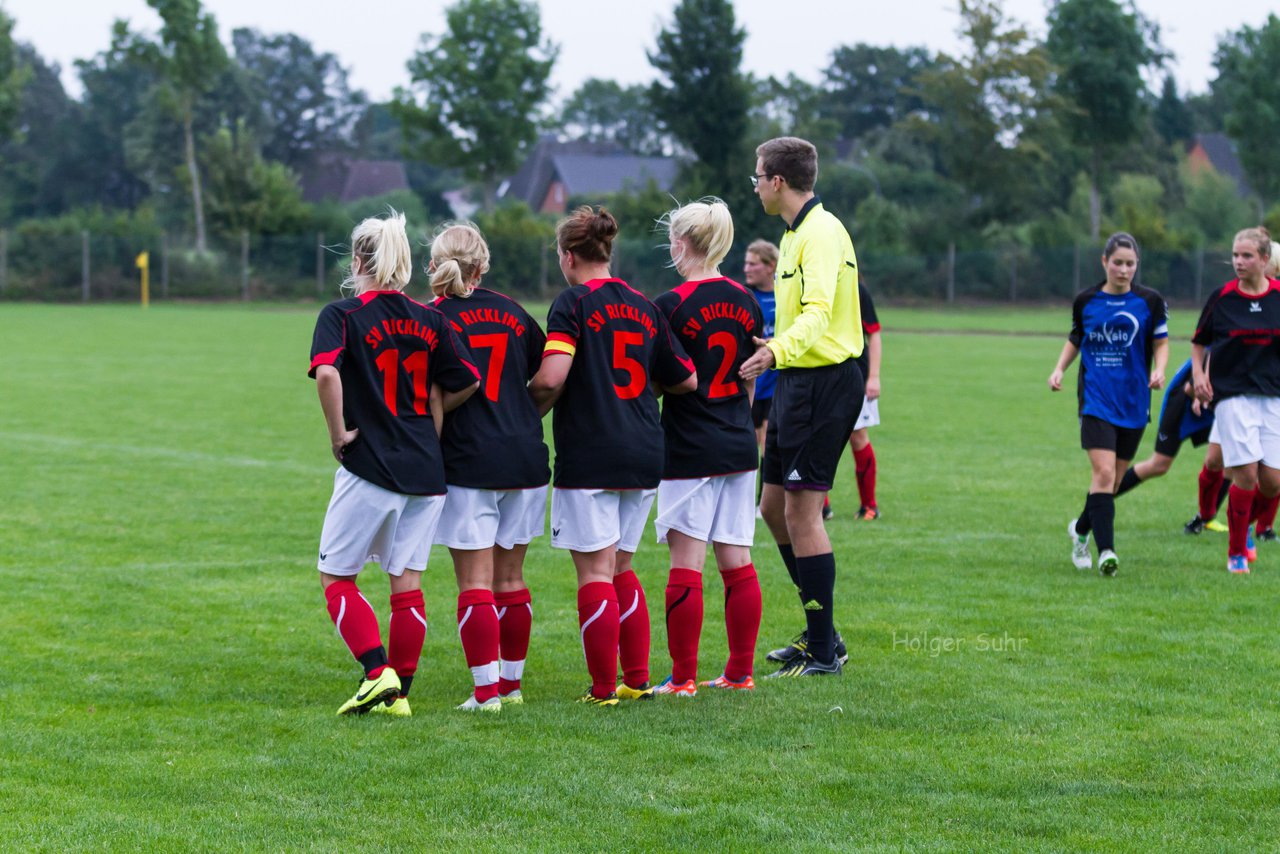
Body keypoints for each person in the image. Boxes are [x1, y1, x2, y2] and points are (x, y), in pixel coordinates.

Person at [308, 211, 479, 716]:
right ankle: (399, 696)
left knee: (337, 578)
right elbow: (466, 379)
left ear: (358, 259)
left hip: (371, 467)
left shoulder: (341, 315)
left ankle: (377, 673)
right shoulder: (431, 319)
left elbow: (326, 376)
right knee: (407, 583)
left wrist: (339, 434)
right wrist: (432, 418)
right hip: (427, 472)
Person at [529, 206, 696, 706]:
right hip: (645, 450)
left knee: (595, 573)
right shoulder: (644, 305)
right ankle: (637, 678)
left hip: (591, 454)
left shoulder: (572, 303)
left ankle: (603, 689)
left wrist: (524, 409)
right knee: (621, 568)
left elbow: (553, 375)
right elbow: (685, 378)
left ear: (568, 255)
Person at [740, 136, 863, 677]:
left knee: (802, 512)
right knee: (771, 508)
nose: (756, 185)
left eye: (758, 177)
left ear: (778, 182)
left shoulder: (822, 233)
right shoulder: (790, 235)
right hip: (795, 381)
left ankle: (822, 649)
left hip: (826, 383)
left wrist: (774, 350)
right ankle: (823, 634)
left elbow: (817, 313)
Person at [429, 223, 550, 713]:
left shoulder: (432, 317)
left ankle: (485, 694)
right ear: (484, 265)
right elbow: (550, 377)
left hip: (468, 461)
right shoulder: (515, 314)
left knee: (475, 583)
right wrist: (523, 416)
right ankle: (511, 687)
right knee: (511, 579)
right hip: (524, 455)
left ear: (437, 265)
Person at [651, 199, 764, 696]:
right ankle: (740, 673)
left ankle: (683, 678)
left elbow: (665, 381)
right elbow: (750, 379)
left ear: (681, 243)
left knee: (686, 566)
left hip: (690, 446)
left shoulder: (669, 305)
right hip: (738, 441)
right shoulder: (746, 300)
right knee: (737, 561)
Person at [1049, 232, 1169, 577]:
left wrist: (1159, 370)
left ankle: (1081, 530)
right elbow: (1076, 337)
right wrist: (1059, 369)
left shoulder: (1150, 301)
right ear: (1105, 262)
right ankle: (1107, 553)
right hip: (1096, 400)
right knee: (1102, 474)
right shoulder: (1086, 300)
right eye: (1118, 262)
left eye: (1130, 264)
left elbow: (1161, 343)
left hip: (1133, 401)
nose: (1124, 269)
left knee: (1112, 485)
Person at [1191, 228, 1280, 573]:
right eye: (1235, 255)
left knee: (1272, 481)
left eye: (1246, 256)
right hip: (1231, 396)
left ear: (1263, 260)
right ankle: (1236, 552)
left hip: (1272, 396)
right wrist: (1199, 376)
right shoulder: (1223, 297)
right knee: (1245, 474)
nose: (1238, 262)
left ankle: (1244, 530)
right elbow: (1199, 341)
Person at [1111, 355, 1228, 535]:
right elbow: (1190, 389)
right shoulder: (1220, 342)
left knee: (1230, 457)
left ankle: (1204, 518)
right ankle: (1101, 496)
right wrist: (1202, 395)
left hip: (1212, 404)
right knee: (1159, 465)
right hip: (1182, 401)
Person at [827, 279, 884, 522]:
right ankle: (821, 506)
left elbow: (874, 333)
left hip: (855, 375)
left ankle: (869, 506)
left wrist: (873, 376)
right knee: (819, 436)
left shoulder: (856, 289)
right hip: (820, 373)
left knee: (858, 436)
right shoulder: (813, 283)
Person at [743, 239, 779, 455]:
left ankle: (764, 489)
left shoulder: (786, 292)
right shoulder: (745, 296)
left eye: (753, 264)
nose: (746, 269)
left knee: (769, 438)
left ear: (771, 266)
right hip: (754, 378)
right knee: (753, 439)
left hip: (778, 379)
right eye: (746, 263)